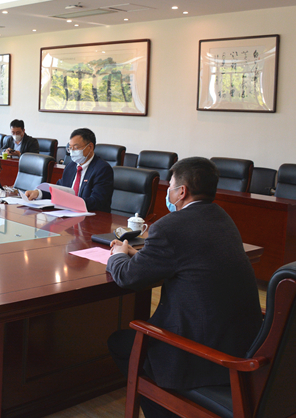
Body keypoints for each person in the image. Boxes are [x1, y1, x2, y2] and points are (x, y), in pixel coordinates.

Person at [105, 157, 262, 418]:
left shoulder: (169, 227)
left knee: (120, 343)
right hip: (242, 345)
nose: (167, 192)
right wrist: (138, 254)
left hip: (201, 355)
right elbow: (189, 259)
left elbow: (127, 277)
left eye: (170, 186)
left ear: (182, 191)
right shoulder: (222, 217)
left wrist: (118, 256)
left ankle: (166, 410)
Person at [25, 127, 113, 212]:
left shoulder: (102, 169)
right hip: (69, 214)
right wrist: (39, 193)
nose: (72, 151)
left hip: (93, 217)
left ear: (90, 147)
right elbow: (58, 191)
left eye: (76, 148)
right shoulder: (70, 166)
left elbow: (97, 201)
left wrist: (70, 202)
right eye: (70, 148)